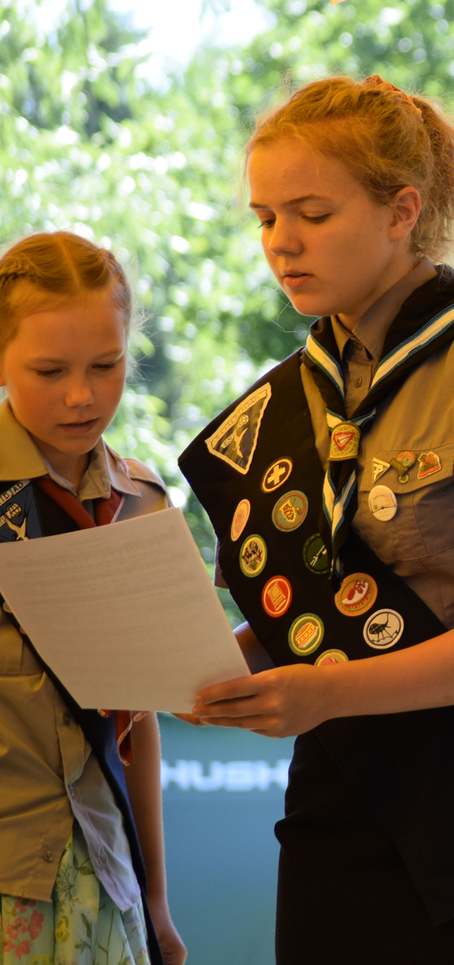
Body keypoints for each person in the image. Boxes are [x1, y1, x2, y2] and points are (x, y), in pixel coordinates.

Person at [175, 76, 454, 962]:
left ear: (401, 211)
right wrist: (196, 670)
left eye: (312, 213)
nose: (282, 242)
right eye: (265, 217)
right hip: (345, 802)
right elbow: (307, 619)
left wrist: (321, 691)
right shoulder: (287, 399)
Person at [0, 232, 185, 965]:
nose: (82, 395)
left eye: (106, 366)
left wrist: (157, 898)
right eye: (49, 371)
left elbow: (138, 723)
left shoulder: (140, 503)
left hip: (104, 877)